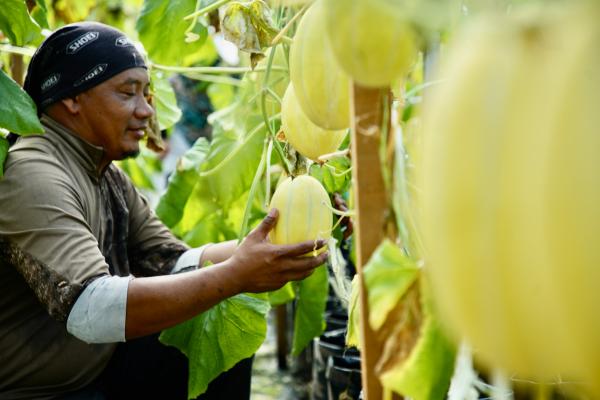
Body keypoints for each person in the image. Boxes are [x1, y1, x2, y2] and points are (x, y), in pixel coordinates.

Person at [0, 22, 327, 399]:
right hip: (39, 393)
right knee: (218, 296)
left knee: (216, 328)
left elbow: (168, 261)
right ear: (72, 98)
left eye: (147, 94)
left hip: (96, 372)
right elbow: (90, 308)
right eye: (128, 94)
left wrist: (284, 237)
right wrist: (236, 275)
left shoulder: (100, 169)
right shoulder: (34, 173)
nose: (146, 111)